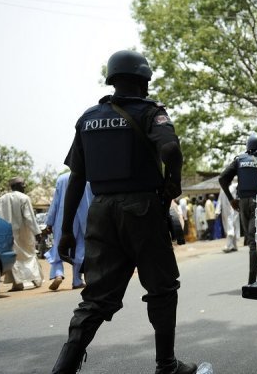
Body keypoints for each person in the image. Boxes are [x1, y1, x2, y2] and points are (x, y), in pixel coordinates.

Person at [50, 50, 197, 374]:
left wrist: (65, 231)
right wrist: (172, 182)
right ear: (143, 80)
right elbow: (170, 148)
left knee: (96, 298)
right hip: (141, 210)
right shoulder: (150, 112)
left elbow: (76, 177)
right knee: (161, 288)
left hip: (100, 212)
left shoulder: (88, 118)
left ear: (113, 80)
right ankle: (166, 365)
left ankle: (63, 367)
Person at [219, 133, 257, 284]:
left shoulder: (239, 160)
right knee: (256, 242)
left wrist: (231, 199)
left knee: (252, 240)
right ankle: (253, 281)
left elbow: (222, 179)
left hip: (243, 204)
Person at [0, 177, 44, 291]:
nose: (24, 186)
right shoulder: (24, 198)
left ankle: (17, 284)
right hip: (24, 233)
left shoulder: (2, 199)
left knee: (14, 258)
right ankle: (37, 280)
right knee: (29, 256)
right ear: (15, 186)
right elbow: (29, 218)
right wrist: (37, 232)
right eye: (22, 184)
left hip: (8, 234)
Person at [45, 172, 93, 291]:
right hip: (84, 219)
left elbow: (55, 202)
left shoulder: (61, 179)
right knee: (80, 248)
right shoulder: (88, 178)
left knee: (58, 247)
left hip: (63, 219)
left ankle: (58, 274)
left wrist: (49, 221)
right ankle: (77, 281)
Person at [216, 178, 240, 253]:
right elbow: (219, 200)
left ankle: (228, 245)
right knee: (230, 227)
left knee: (231, 228)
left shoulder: (235, 186)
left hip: (233, 210)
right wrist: (217, 211)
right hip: (225, 211)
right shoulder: (222, 188)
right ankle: (234, 246)